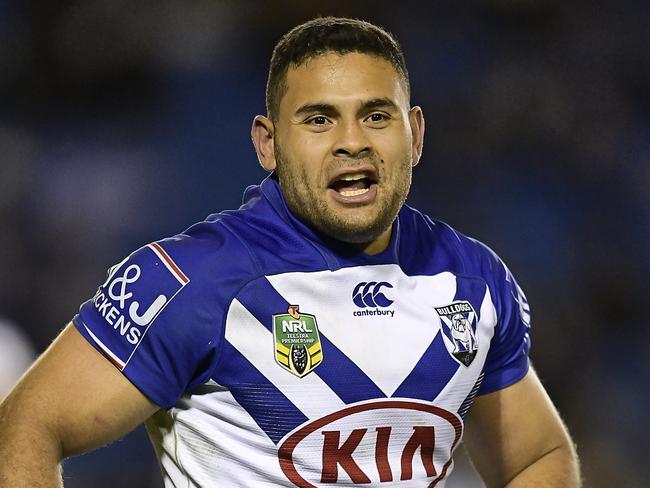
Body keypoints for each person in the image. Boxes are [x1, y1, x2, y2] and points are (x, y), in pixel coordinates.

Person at [0, 17, 581, 487]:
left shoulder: (473, 279)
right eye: (319, 120)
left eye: (377, 116)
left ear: (417, 134)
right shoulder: (192, 281)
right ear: (268, 143)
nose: (353, 141)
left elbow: (538, 456)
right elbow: (29, 426)